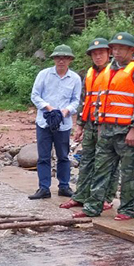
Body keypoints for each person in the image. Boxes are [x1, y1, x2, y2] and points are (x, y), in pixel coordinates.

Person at [75, 32, 134, 221]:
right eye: (114, 48)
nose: (116, 52)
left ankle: (127, 209)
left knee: (128, 172)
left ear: (131, 50)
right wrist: (98, 123)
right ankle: (92, 206)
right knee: (100, 168)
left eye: (120, 48)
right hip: (106, 129)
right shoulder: (108, 70)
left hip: (126, 131)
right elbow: (101, 99)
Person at [60, 38, 117, 211]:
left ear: (108, 53)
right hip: (91, 123)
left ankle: (106, 197)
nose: (98, 56)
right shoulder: (90, 74)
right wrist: (80, 125)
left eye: (101, 53)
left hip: (108, 125)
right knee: (86, 160)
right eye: (94, 53)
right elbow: (85, 101)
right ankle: (81, 195)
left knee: (107, 162)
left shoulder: (115, 72)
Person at [29, 44, 82, 200]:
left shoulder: (75, 79)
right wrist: (48, 107)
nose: (61, 61)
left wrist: (66, 111)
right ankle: (44, 188)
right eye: (58, 57)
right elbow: (35, 95)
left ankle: (64, 186)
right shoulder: (43, 75)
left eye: (65, 58)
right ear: (54, 59)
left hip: (64, 124)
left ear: (70, 60)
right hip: (44, 122)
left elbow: (75, 100)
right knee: (44, 157)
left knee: (63, 156)